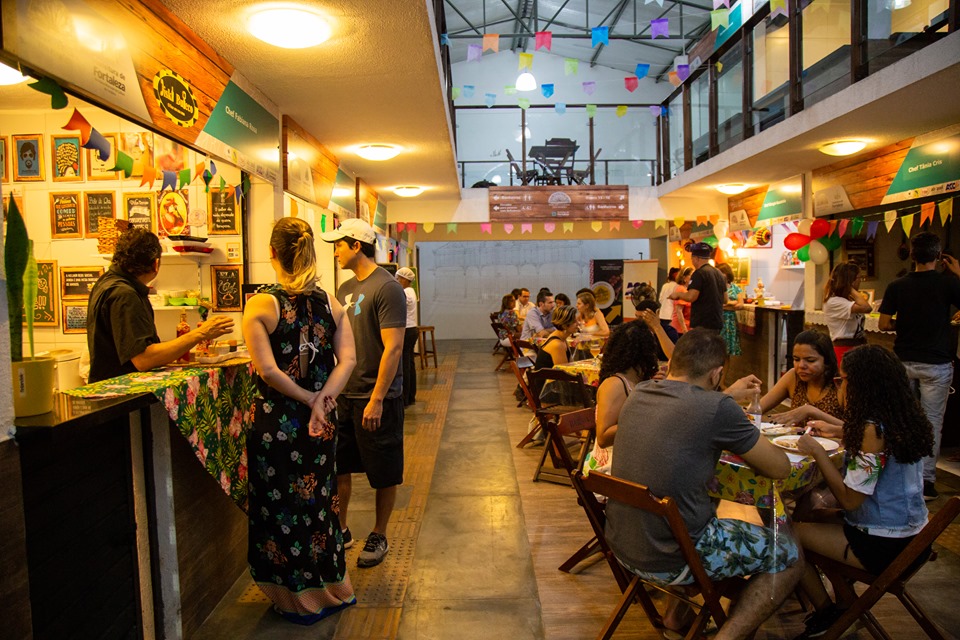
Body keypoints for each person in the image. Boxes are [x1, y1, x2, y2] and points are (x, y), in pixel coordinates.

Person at [606, 329, 801, 639]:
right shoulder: (717, 409)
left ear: (672, 363)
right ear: (718, 374)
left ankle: (674, 617)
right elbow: (779, 468)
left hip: (623, 544)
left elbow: (690, 409)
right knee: (789, 552)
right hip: (674, 555)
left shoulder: (640, 391)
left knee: (703, 501)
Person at [242, 217, 357, 624]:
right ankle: (332, 589)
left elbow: (268, 371)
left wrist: (309, 399)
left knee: (284, 510)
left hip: (278, 422)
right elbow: (349, 360)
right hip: (321, 421)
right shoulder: (331, 302)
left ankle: (296, 600)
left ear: (272, 253)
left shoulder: (261, 304)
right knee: (320, 504)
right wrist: (322, 403)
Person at [792, 346, 934, 639]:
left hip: (883, 544)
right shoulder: (900, 418)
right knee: (809, 512)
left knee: (787, 533)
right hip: (913, 537)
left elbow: (849, 499)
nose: (840, 386)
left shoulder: (872, 430)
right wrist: (836, 430)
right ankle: (843, 602)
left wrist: (817, 451)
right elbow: (876, 442)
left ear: (861, 386)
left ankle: (827, 610)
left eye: (842, 380)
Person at [321, 218, 407, 568]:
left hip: (377, 398)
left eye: (339, 244)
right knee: (340, 466)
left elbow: (394, 348)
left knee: (383, 470)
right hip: (345, 394)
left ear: (357, 245)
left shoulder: (387, 288)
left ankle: (380, 532)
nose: (336, 251)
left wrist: (377, 398)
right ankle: (341, 529)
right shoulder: (343, 289)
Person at [86, 228, 234, 382]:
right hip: (123, 397)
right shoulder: (124, 295)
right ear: (155, 264)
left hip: (106, 389)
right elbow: (143, 359)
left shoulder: (105, 283)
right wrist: (201, 333)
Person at [878, 231, 960, 501]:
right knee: (931, 423)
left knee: (902, 418)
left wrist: (904, 324)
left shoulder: (897, 285)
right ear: (938, 256)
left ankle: (899, 473)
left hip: (903, 361)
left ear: (912, 255)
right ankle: (925, 481)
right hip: (936, 364)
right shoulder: (948, 284)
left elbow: (883, 324)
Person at [583, 321, 660, 476]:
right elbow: (603, 437)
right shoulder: (615, 385)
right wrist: (647, 418)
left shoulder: (636, 380)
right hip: (609, 468)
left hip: (627, 459)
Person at [761, 330, 843, 429]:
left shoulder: (840, 384)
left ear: (827, 361)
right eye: (796, 359)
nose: (801, 366)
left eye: (810, 360)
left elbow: (858, 432)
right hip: (797, 442)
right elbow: (757, 409)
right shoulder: (793, 377)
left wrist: (810, 411)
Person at [669, 242, 727, 332]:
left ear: (696, 258)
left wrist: (678, 295)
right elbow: (725, 299)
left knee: (702, 346)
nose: (692, 261)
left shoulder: (699, 273)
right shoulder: (719, 273)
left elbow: (691, 296)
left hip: (702, 323)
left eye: (692, 258)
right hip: (717, 322)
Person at [823, 262, 871, 365]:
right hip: (844, 348)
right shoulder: (834, 301)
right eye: (859, 278)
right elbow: (866, 307)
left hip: (858, 347)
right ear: (851, 280)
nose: (860, 281)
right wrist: (850, 288)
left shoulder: (847, 299)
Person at [395, 267, 419, 407]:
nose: (397, 281)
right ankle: (410, 396)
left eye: (398, 279)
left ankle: (404, 398)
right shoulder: (411, 291)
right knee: (409, 363)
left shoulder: (405, 293)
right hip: (412, 329)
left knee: (404, 365)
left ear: (404, 279)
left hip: (406, 330)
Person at [533, 305, 578, 369]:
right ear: (564, 325)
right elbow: (564, 373)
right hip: (548, 378)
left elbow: (570, 365)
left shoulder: (561, 338)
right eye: (574, 322)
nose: (578, 323)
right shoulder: (557, 344)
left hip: (553, 377)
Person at [716, 262, 744, 356]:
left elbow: (740, 305)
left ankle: (725, 371)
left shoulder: (735, 288)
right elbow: (717, 304)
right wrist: (732, 303)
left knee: (727, 353)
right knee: (717, 350)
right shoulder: (715, 287)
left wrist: (726, 304)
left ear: (727, 274)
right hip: (718, 319)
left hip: (730, 322)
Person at [657, 267, 681, 344]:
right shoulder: (678, 287)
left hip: (662, 315)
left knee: (664, 337)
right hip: (671, 316)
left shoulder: (665, 286)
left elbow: (660, 299)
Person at [671, 267, 693, 335]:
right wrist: (684, 329)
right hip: (680, 329)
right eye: (691, 275)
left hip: (687, 326)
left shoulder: (687, 290)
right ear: (684, 278)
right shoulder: (681, 290)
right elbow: (679, 311)